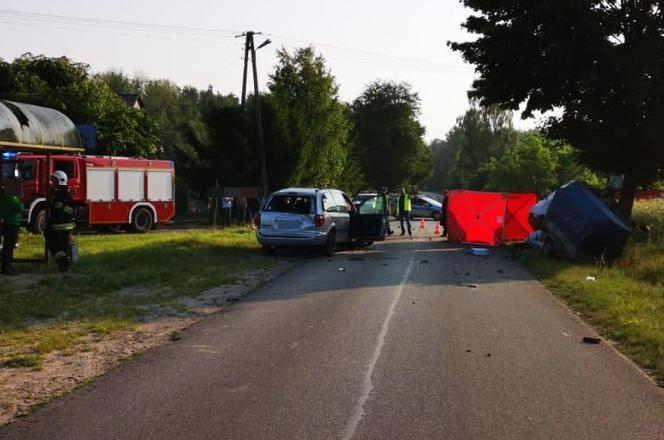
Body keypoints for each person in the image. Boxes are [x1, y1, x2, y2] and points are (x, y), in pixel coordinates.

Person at [45, 170, 75, 271]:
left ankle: (63, 261)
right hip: (62, 226)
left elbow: (57, 209)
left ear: (60, 181)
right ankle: (64, 263)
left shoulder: (62, 195)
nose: (52, 183)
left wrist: (52, 201)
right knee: (62, 247)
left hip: (60, 226)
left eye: (54, 181)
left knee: (54, 245)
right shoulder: (61, 193)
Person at [0, 179, 24, 276]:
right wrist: (20, 200)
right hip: (11, 223)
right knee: (9, 246)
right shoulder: (11, 197)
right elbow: (20, 207)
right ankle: (7, 267)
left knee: (8, 245)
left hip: (8, 222)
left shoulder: (4, 195)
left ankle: (7, 266)